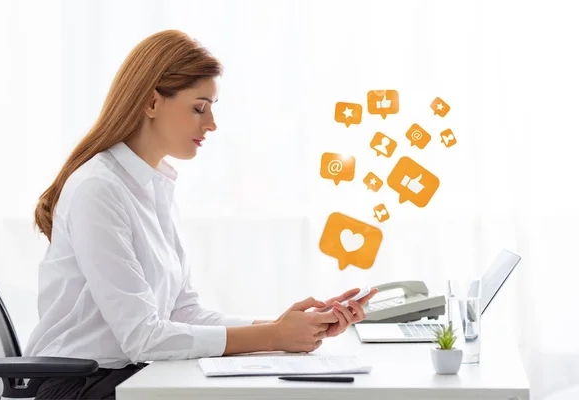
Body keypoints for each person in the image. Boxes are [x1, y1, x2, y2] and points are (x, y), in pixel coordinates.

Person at [26, 29, 378, 400]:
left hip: (133, 376)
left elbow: (185, 313)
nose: (211, 124)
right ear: (151, 103)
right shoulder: (98, 189)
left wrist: (289, 327)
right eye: (199, 107)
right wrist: (274, 336)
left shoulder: (153, 186)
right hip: (81, 386)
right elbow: (143, 337)